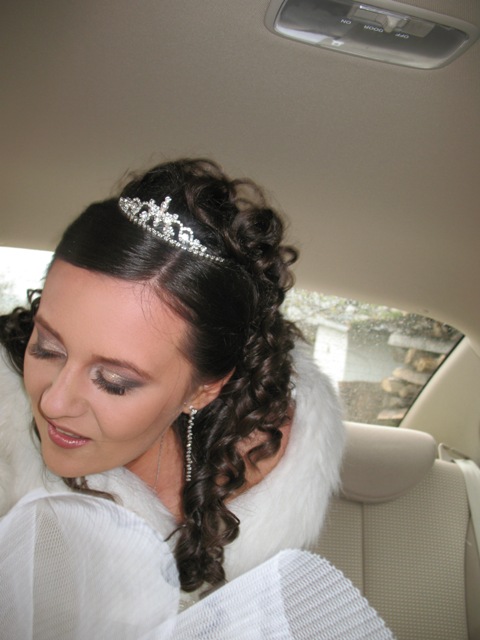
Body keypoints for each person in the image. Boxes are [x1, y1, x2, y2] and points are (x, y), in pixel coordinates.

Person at [0, 158, 348, 621]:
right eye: (46, 348)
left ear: (202, 390)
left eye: (114, 382)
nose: (52, 402)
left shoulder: (268, 462)